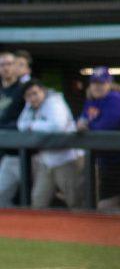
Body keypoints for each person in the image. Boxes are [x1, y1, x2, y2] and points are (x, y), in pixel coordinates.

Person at [76, 67, 120, 211]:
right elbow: (80, 121)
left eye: (101, 83)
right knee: (106, 204)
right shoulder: (91, 101)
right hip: (109, 161)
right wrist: (81, 124)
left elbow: (107, 125)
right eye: (94, 83)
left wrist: (87, 126)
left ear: (109, 83)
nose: (97, 87)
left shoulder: (116, 98)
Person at [18, 80, 84, 209]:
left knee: (76, 203)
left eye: (35, 93)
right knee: (38, 202)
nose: (32, 98)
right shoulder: (30, 105)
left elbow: (57, 126)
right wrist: (35, 125)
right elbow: (21, 124)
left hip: (67, 159)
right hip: (46, 161)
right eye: (28, 95)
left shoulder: (54, 102)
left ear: (43, 91)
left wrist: (33, 125)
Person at [0, 50, 33, 205]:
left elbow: (25, 121)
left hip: (22, 154)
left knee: (28, 198)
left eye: (10, 64)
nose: (6, 68)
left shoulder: (24, 90)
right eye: (2, 64)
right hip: (5, 154)